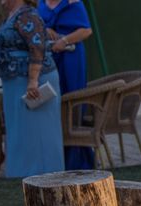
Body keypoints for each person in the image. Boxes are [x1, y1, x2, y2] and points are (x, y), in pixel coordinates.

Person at [0, 0, 64, 177]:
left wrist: (33, 81)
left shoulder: (28, 14)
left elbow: (37, 46)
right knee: (20, 134)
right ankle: (20, 176)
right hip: (14, 83)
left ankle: (44, 177)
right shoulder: (12, 16)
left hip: (32, 83)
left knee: (38, 134)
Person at [38, 0, 93, 170]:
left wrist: (65, 40)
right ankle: (51, 156)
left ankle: (75, 159)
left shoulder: (74, 3)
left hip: (70, 58)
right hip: (48, 58)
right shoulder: (40, 4)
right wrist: (45, 30)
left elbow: (86, 30)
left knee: (70, 100)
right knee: (48, 100)